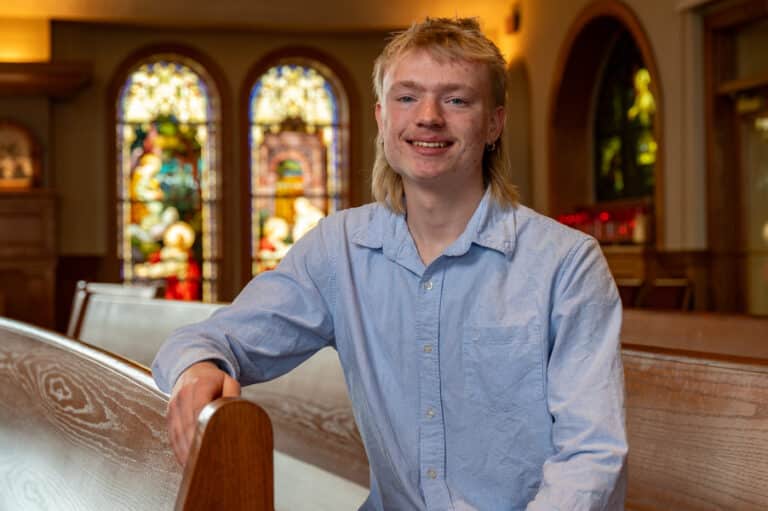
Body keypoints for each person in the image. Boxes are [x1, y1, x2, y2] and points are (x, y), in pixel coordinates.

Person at [152, 17, 627, 511]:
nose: (428, 117)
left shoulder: (566, 264)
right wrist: (196, 368)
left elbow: (591, 455)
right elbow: (206, 341)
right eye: (407, 97)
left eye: (456, 100)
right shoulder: (339, 249)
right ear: (382, 119)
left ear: (494, 124)